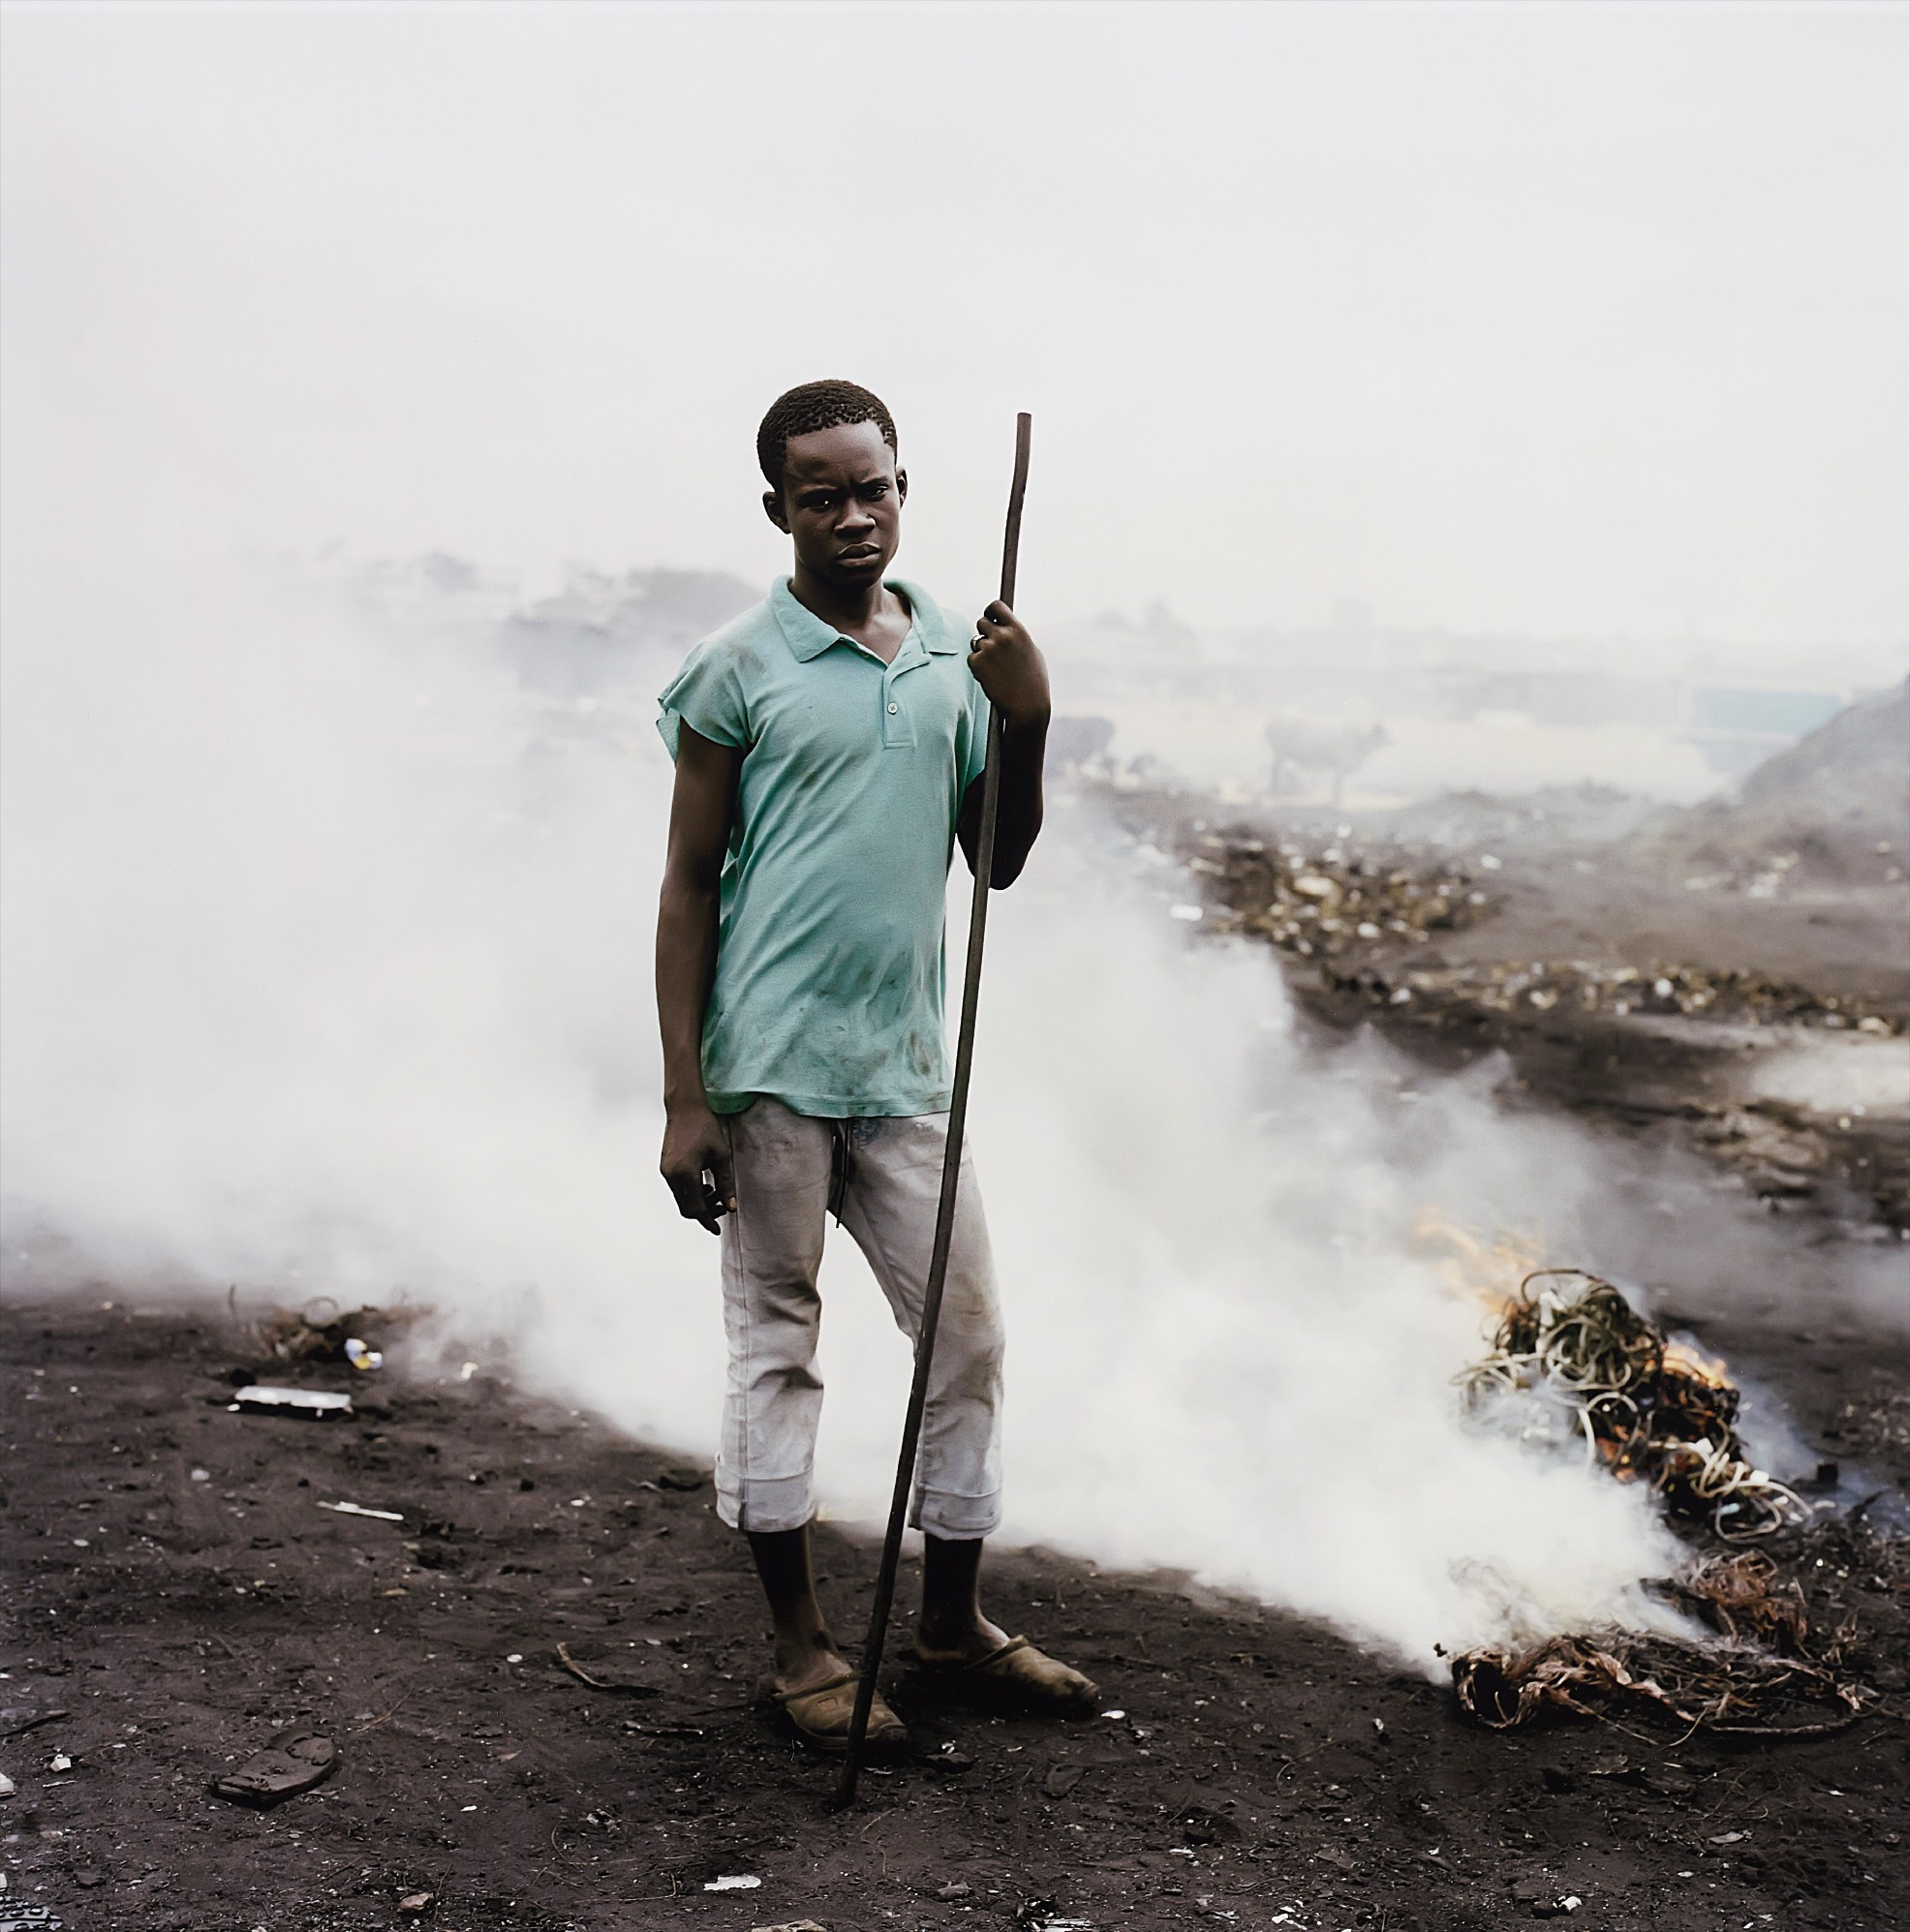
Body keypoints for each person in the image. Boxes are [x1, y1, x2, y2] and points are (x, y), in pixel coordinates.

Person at [653, 380, 1098, 1755]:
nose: (856, 517)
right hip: (770, 1075)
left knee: (966, 1340)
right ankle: (801, 1652)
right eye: (823, 495)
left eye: (877, 488)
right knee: (777, 1349)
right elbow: (686, 886)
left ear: (905, 486)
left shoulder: (962, 646)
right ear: (778, 507)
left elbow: (996, 862)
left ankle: (953, 1626)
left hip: (907, 1066)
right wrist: (684, 1097)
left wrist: (1026, 719)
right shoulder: (739, 667)